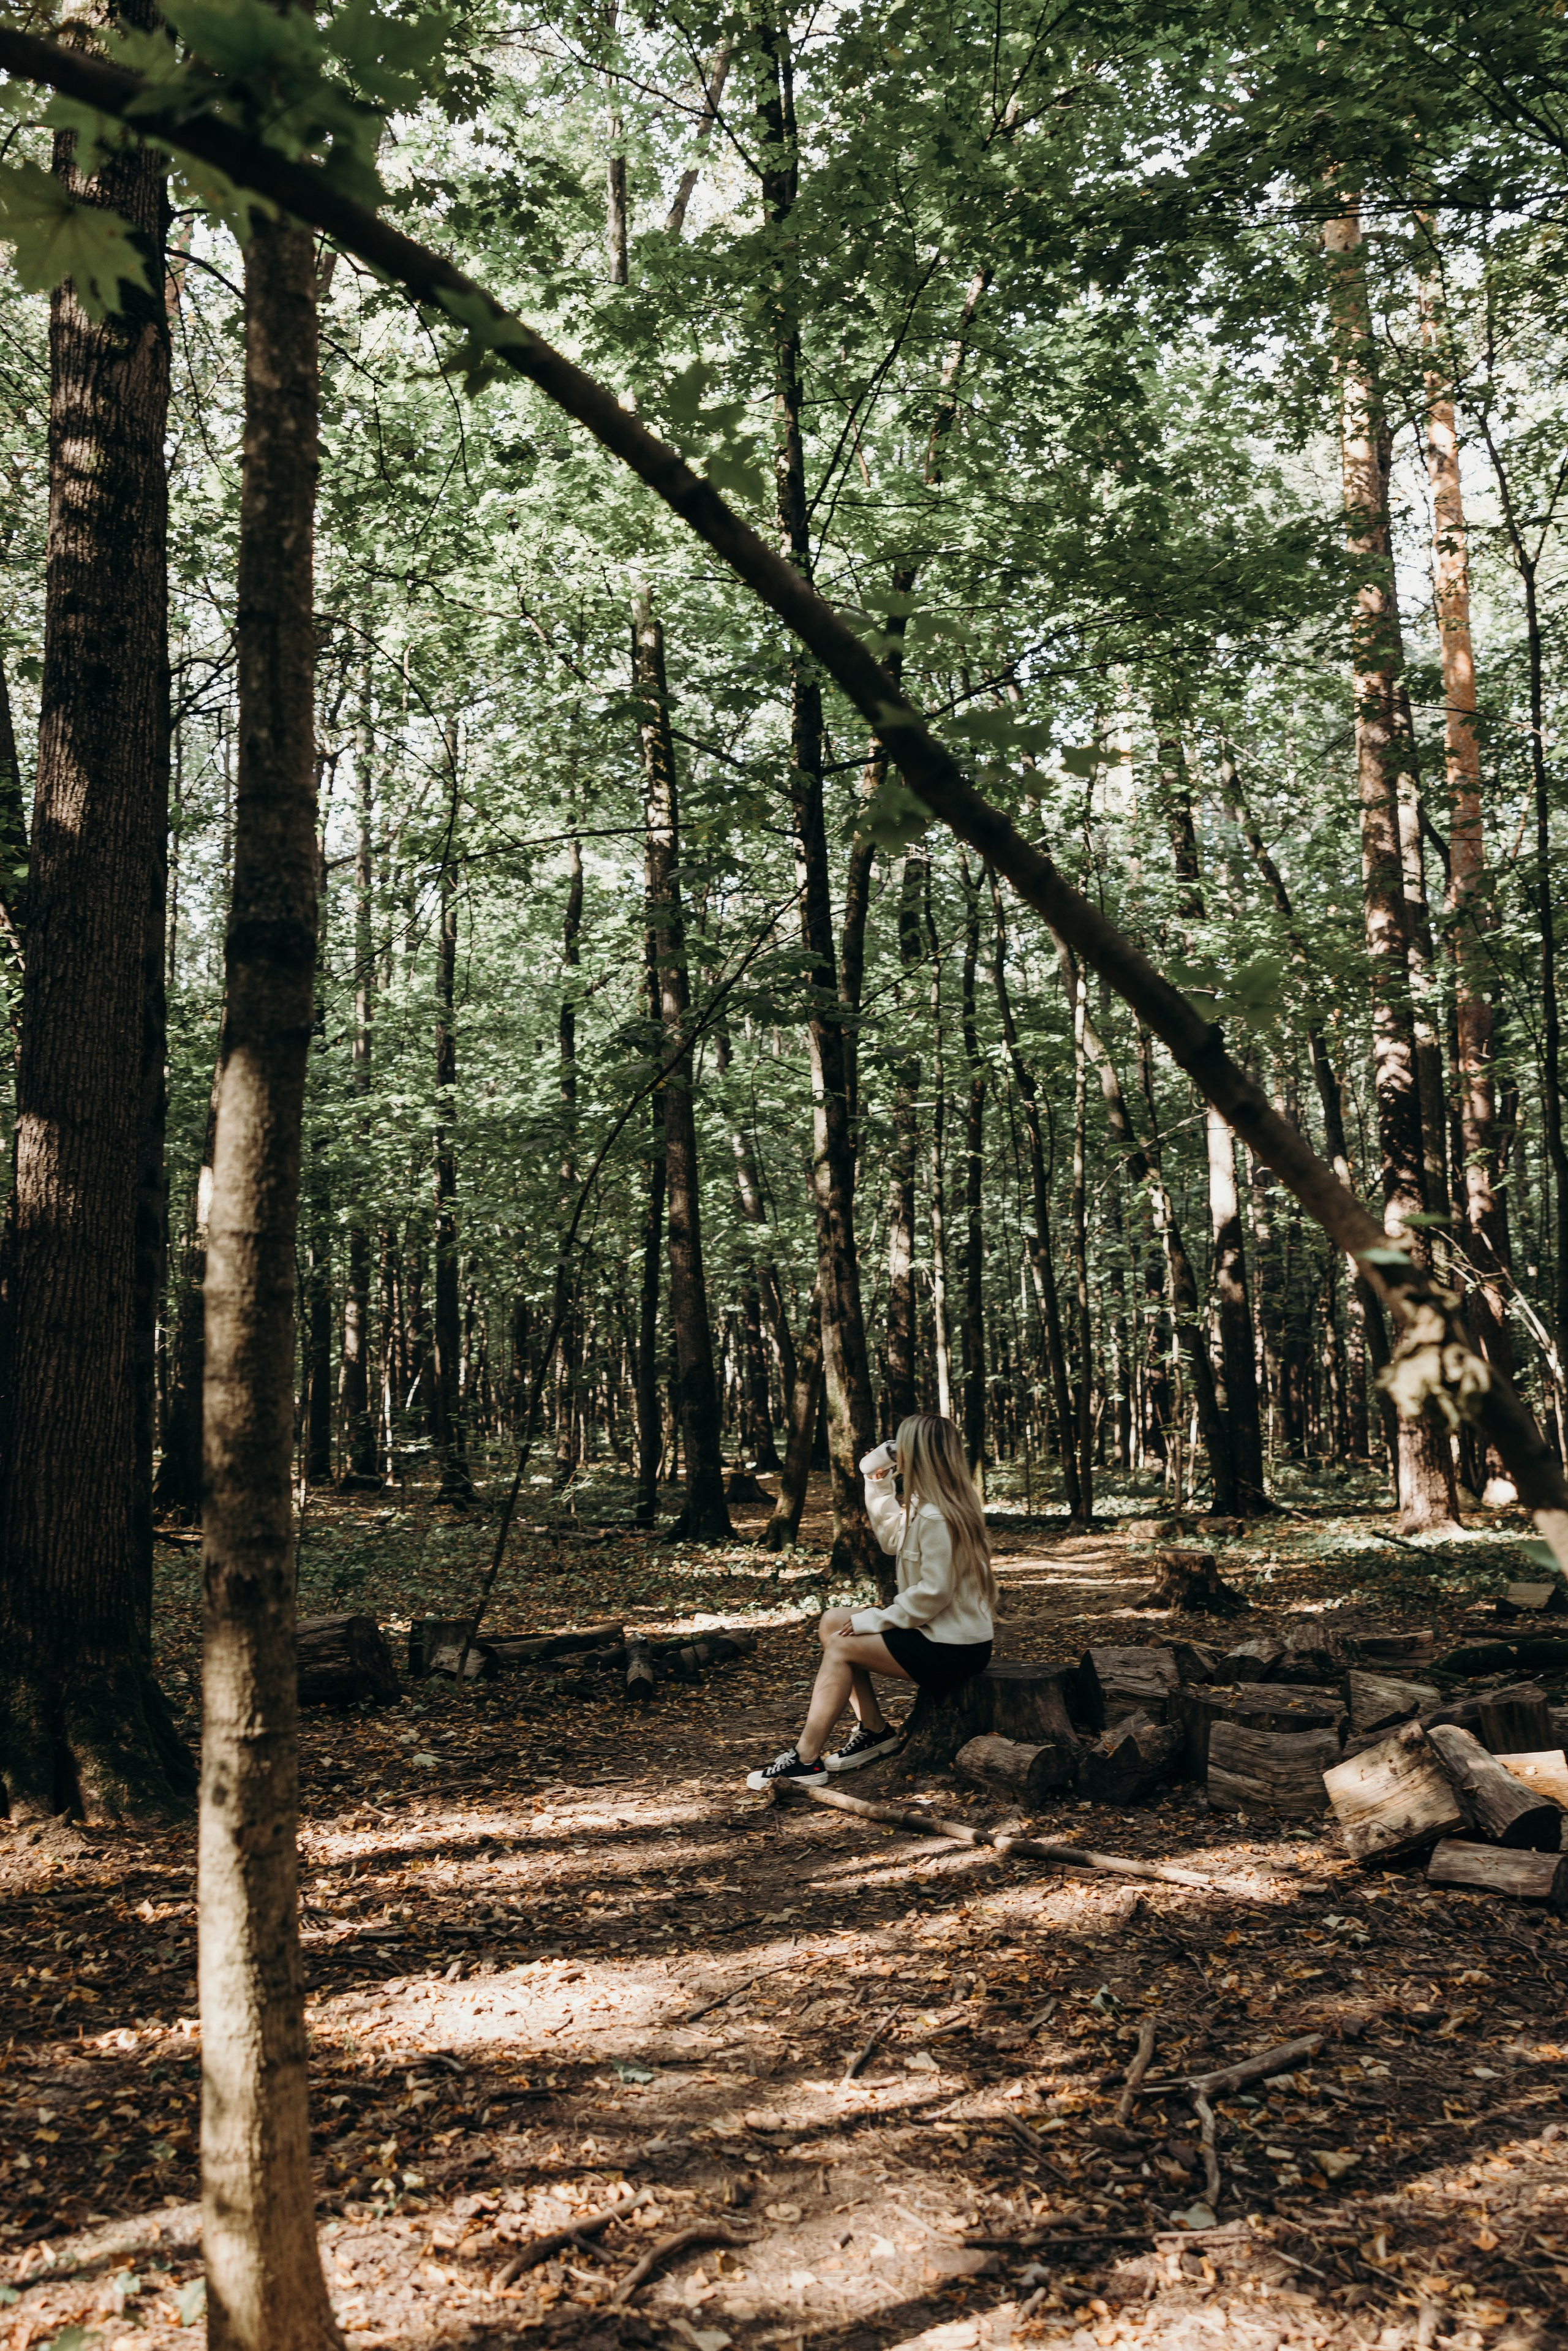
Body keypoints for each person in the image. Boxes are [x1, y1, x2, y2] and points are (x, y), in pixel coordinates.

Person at [745, 1413, 996, 1787]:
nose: (895, 1454)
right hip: (938, 1632)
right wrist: (877, 1483)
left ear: (919, 1454)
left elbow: (934, 1593)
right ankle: (875, 1731)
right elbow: (891, 1541)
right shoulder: (926, 1504)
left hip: (952, 1647)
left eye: (901, 1447)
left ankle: (805, 1759)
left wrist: (876, 1620)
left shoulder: (937, 1515)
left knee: (841, 1647)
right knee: (833, 1621)